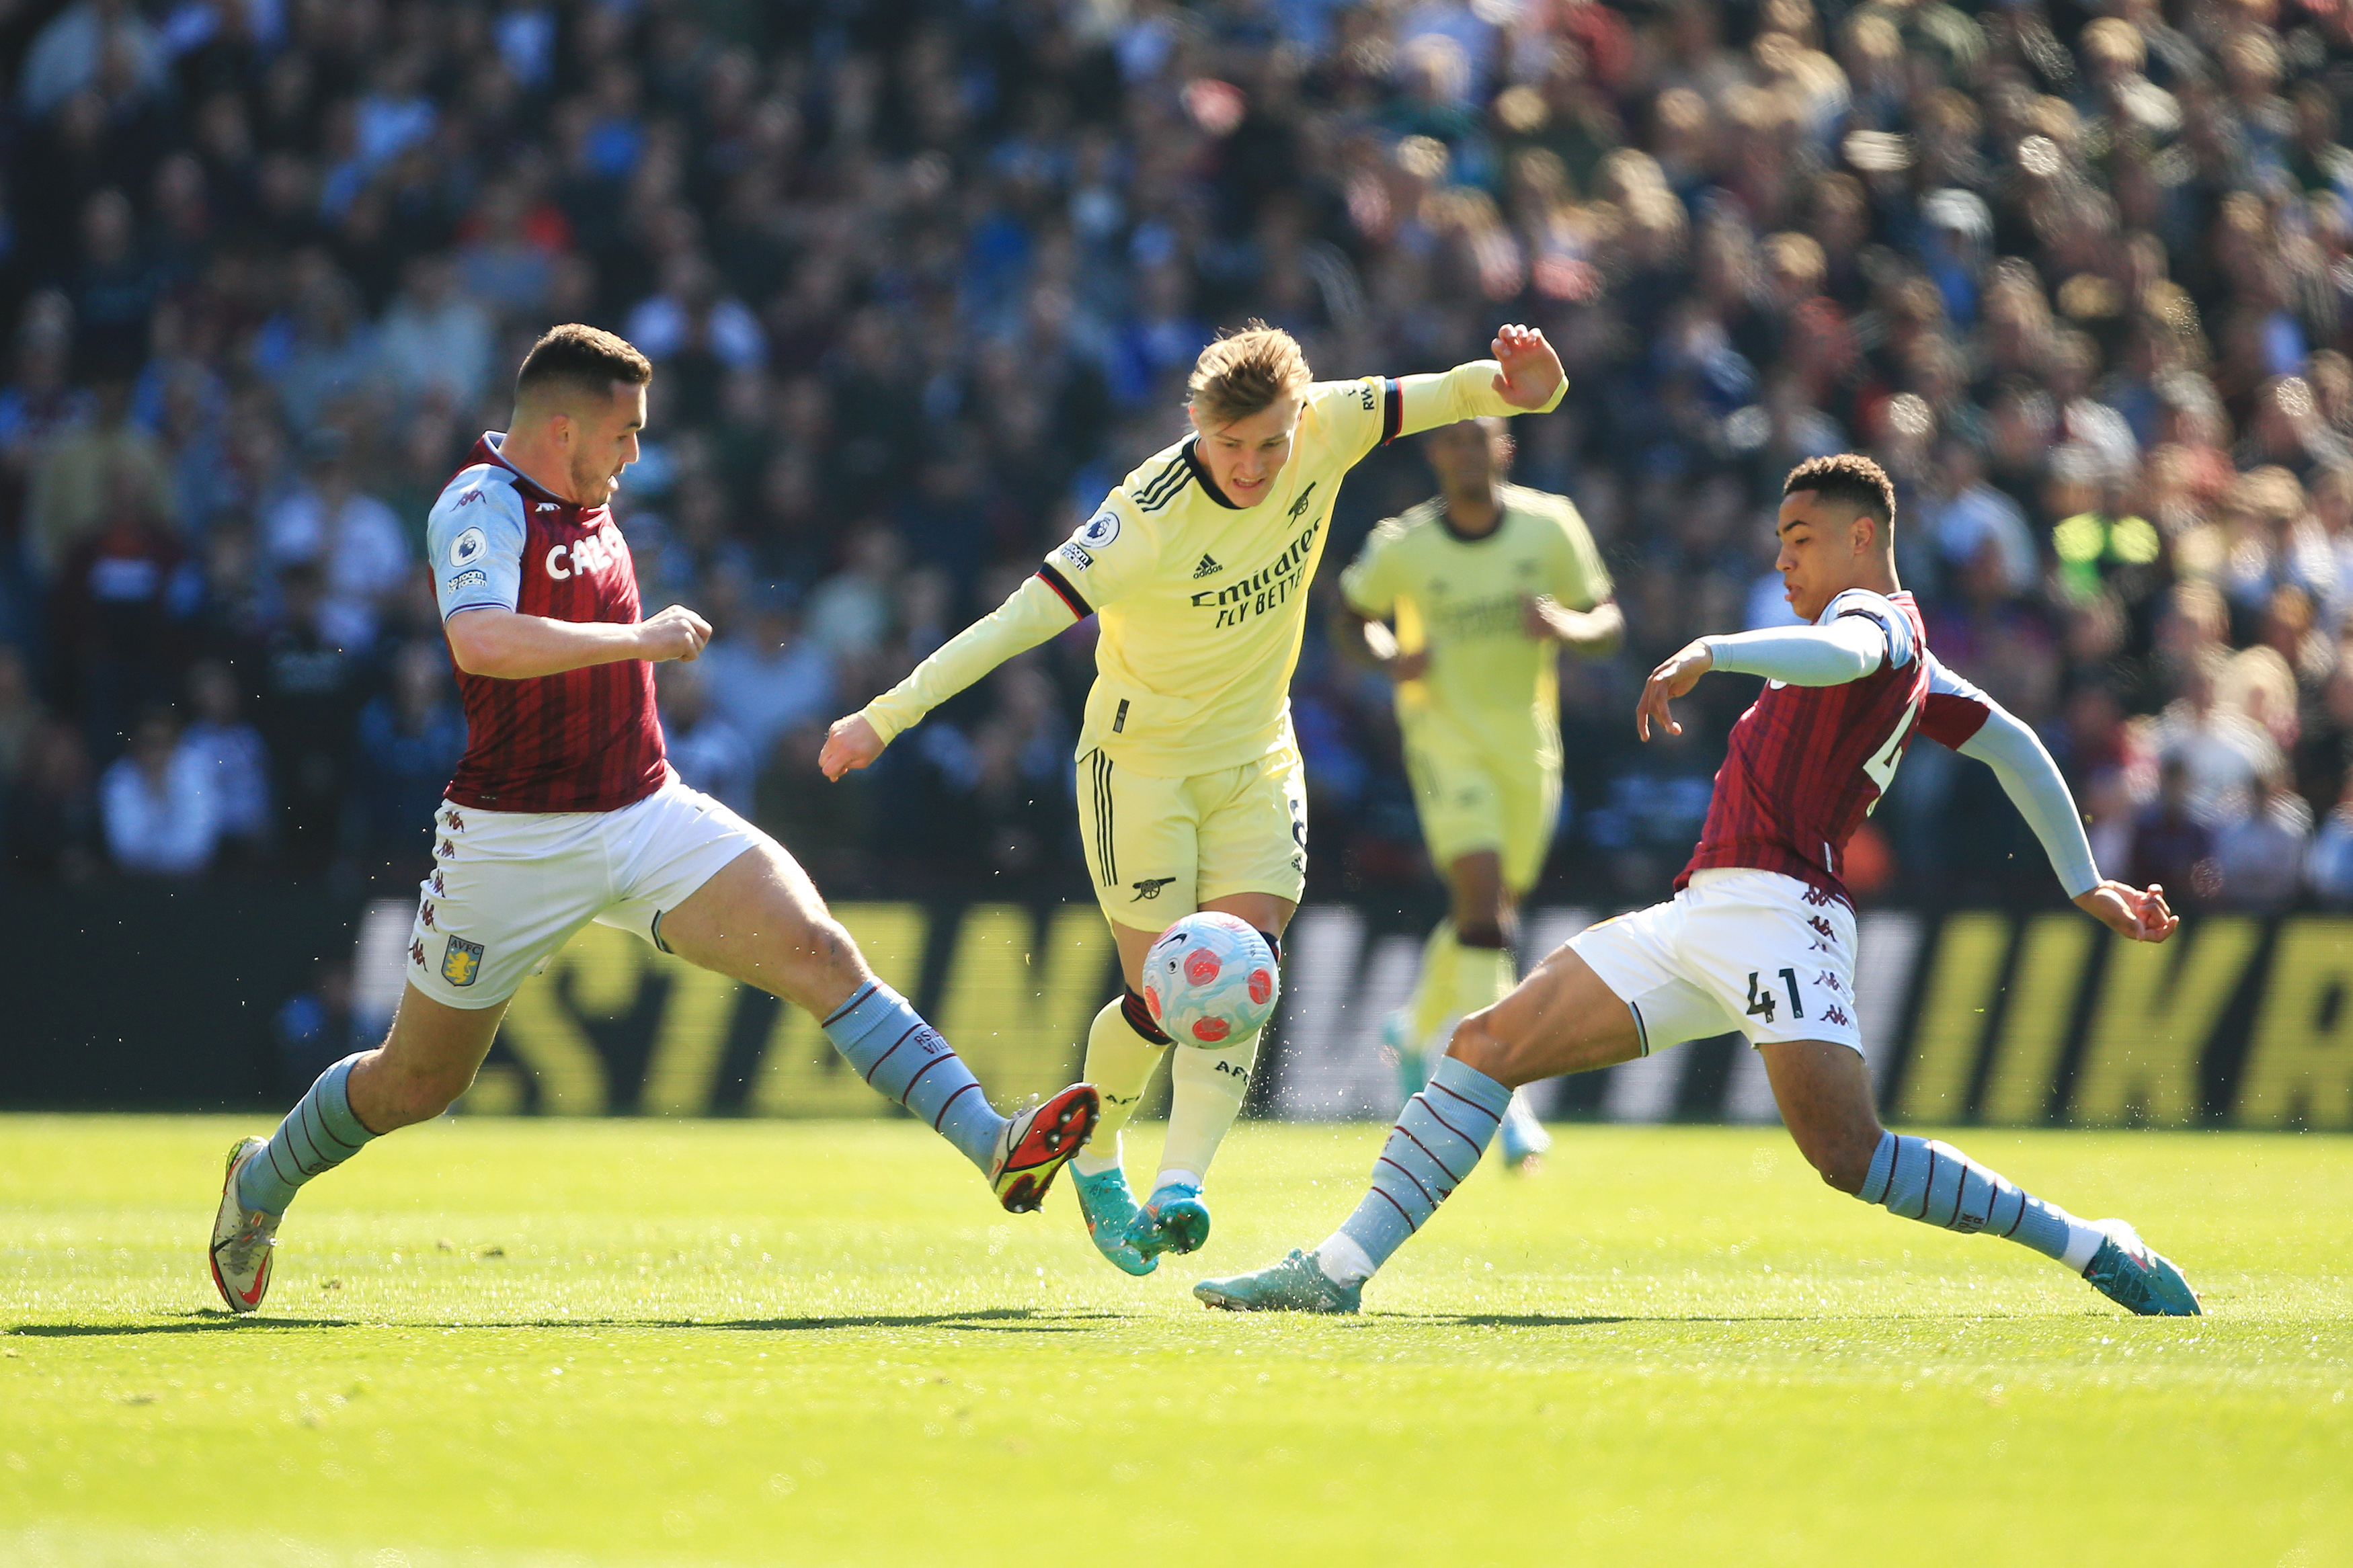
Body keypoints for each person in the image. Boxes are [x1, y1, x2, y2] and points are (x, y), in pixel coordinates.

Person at [209, 326, 1099, 1315]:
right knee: (415, 1084)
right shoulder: (478, 503)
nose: (636, 456)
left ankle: (995, 1145)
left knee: (819, 949)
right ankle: (262, 1182)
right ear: (563, 428)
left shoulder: (591, 496)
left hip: (644, 807)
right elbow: (480, 640)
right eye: (625, 433)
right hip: (513, 839)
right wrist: (640, 636)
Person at [1197, 454, 2202, 1318]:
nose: (1782, 558)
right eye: (1778, 538)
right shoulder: (1914, 668)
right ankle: (1338, 1268)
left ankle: (2090, 1243)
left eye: (1800, 538)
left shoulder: (1877, 628)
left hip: (1782, 919)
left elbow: (1855, 650)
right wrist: (2085, 883)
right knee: (1484, 1045)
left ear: (1864, 538)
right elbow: (2017, 745)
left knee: (1850, 1155)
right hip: (1702, 914)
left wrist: (1715, 651)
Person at [822, 321, 1568, 1276]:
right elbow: (1014, 622)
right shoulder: (1145, 516)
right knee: (1159, 997)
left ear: (1301, 415)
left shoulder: (1335, 424)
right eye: (1232, 446)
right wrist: (885, 717)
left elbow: (1472, 393)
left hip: (1256, 756)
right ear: (1194, 426)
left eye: (1271, 443)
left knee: (1235, 974)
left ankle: (1183, 1184)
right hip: (1140, 769)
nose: (1255, 466)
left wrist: (1534, 387)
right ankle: (1099, 1161)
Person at [1333, 415, 1623, 1171]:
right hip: (1442, 740)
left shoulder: (1548, 525)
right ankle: (1504, 1091)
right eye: (1450, 440)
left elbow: (1610, 622)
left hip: (1526, 748)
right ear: (1434, 454)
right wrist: (1387, 655)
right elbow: (1350, 615)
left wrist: (1564, 622)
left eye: (1478, 438)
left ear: (1503, 448)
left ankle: (1411, 1026)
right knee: (1484, 905)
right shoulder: (1402, 543)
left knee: (1486, 915)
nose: (1465, 452)